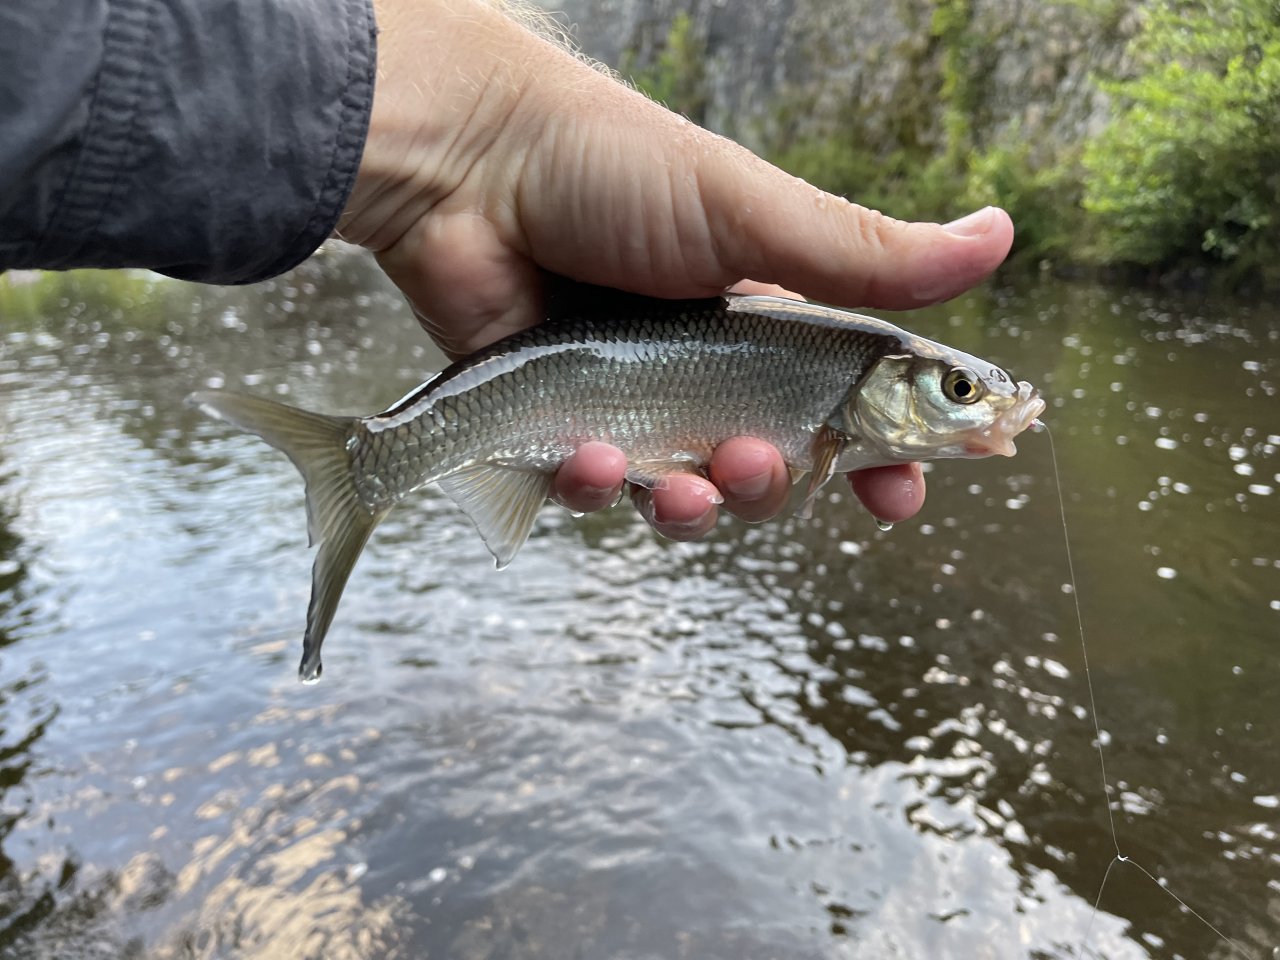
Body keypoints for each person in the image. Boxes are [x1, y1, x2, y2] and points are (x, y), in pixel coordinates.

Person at [0, 0, 1014, 540]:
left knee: (661, 477)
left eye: (964, 391)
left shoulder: (841, 387)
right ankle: (366, 461)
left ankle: (373, 460)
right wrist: (479, 140)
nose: (974, 406)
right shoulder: (839, 385)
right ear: (888, 383)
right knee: (675, 481)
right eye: (958, 391)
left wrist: (479, 144)